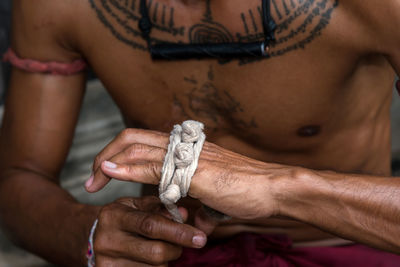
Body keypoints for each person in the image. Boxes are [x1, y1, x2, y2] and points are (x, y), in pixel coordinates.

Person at [1, 0, 400, 266]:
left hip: (348, 248)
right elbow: (18, 178)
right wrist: (86, 234)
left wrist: (278, 187)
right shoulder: (58, 6)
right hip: (171, 255)